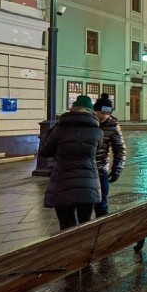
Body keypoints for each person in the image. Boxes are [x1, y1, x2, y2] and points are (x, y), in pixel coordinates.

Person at [39, 95, 103, 231]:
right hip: (88, 185)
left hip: (62, 183)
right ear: (91, 112)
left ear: (72, 110)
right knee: (85, 225)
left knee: (66, 227)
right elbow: (96, 151)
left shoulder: (59, 129)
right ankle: (84, 251)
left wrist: (50, 132)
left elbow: (44, 151)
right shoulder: (97, 132)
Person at [92, 94, 126, 218]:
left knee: (102, 205)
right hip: (87, 170)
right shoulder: (88, 122)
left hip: (101, 170)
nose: (104, 116)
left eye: (107, 114)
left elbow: (120, 149)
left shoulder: (113, 125)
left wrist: (117, 168)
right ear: (95, 111)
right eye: (102, 113)